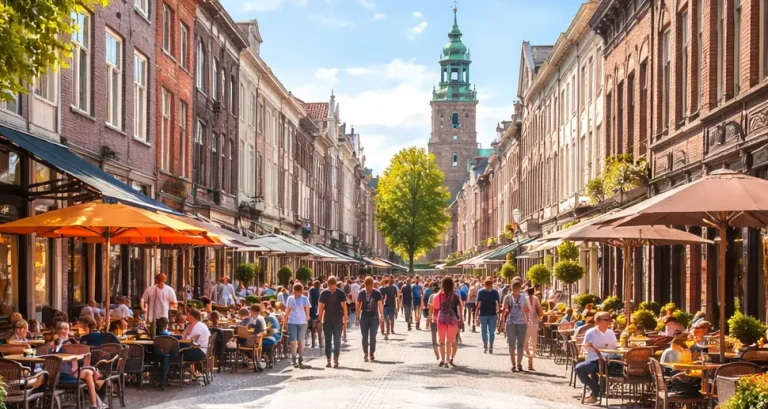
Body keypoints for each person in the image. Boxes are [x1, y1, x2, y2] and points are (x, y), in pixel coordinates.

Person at [50, 322, 107, 409]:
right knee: (91, 374)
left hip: (68, 370)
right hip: (64, 372)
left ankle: (95, 405)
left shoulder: (69, 341)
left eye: (67, 329)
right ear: (60, 331)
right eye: (65, 329)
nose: (66, 331)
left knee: (89, 373)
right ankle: (96, 404)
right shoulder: (58, 343)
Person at [575, 312, 617, 404]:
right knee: (579, 369)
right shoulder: (590, 332)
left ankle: (595, 393)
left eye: (609, 320)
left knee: (598, 371)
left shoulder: (611, 332)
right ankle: (596, 388)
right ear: (597, 321)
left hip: (608, 361)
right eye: (606, 320)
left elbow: (614, 347)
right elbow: (586, 347)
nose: (609, 322)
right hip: (594, 360)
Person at [432, 276, 462, 368]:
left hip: (441, 318)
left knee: (441, 341)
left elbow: (436, 307)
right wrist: (461, 318)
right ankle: (448, 359)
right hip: (453, 319)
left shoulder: (439, 295)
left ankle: (443, 359)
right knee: (449, 342)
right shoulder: (455, 295)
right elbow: (460, 305)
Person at [318, 276, 348, 368]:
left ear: (335, 284)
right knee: (327, 340)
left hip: (338, 320)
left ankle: (336, 358)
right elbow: (321, 307)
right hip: (327, 319)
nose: (331, 288)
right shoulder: (324, 293)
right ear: (327, 284)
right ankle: (328, 359)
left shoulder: (340, 293)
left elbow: (344, 306)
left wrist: (345, 317)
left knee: (337, 340)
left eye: (333, 286)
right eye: (330, 286)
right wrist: (319, 318)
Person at [503, 281, 530, 372]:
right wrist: (503, 323)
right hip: (510, 322)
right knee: (511, 345)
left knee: (520, 344)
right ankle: (513, 364)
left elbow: (526, 310)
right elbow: (504, 310)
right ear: (512, 288)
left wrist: (527, 321)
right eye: (515, 288)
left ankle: (519, 363)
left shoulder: (523, 297)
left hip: (521, 322)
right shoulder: (507, 297)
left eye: (518, 288)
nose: (517, 290)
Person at [355, 276, 383, 362]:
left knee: (373, 336)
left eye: (370, 286)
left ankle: (372, 353)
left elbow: (380, 304)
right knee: (364, 336)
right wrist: (357, 317)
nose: (369, 288)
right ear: (365, 285)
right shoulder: (361, 293)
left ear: (372, 285)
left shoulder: (377, 293)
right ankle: (365, 353)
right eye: (367, 286)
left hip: (374, 317)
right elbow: (358, 305)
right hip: (364, 317)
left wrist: (382, 315)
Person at [283, 283, 310, 368]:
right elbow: (288, 310)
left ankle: (300, 357)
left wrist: (307, 317)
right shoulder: (290, 298)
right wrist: (285, 320)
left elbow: (307, 310)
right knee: (293, 340)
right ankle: (295, 358)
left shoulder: (305, 298)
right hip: (293, 321)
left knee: (300, 340)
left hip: (301, 321)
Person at [475, 278, 500, 354]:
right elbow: (478, 303)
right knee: (484, 331)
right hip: (483, 314)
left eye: (490, 286)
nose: (488, 287)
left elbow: (498, 302)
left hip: (492, 314)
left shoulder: (495, 292)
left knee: (491, 331)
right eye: (487, 285)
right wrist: (476, 315)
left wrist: (498, 311)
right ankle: (485, 344)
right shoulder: (480, 292)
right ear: (485, 285)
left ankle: (491, 345)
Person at [524, 286, 543, 370]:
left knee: (525, 342)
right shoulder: (536, 298)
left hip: (525, 323)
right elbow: (540, 311)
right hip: (534, 322)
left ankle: (529, 358)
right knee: (533, 341)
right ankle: (531, 360)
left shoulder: (524, 298)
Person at [308, 280, 323, 349]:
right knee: (319, 328)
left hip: (311, 311)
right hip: (318, 310)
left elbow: (309, 300)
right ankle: (320, 343)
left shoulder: (311, 290)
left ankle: (313, 343)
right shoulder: (320, 292)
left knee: (312, 329)